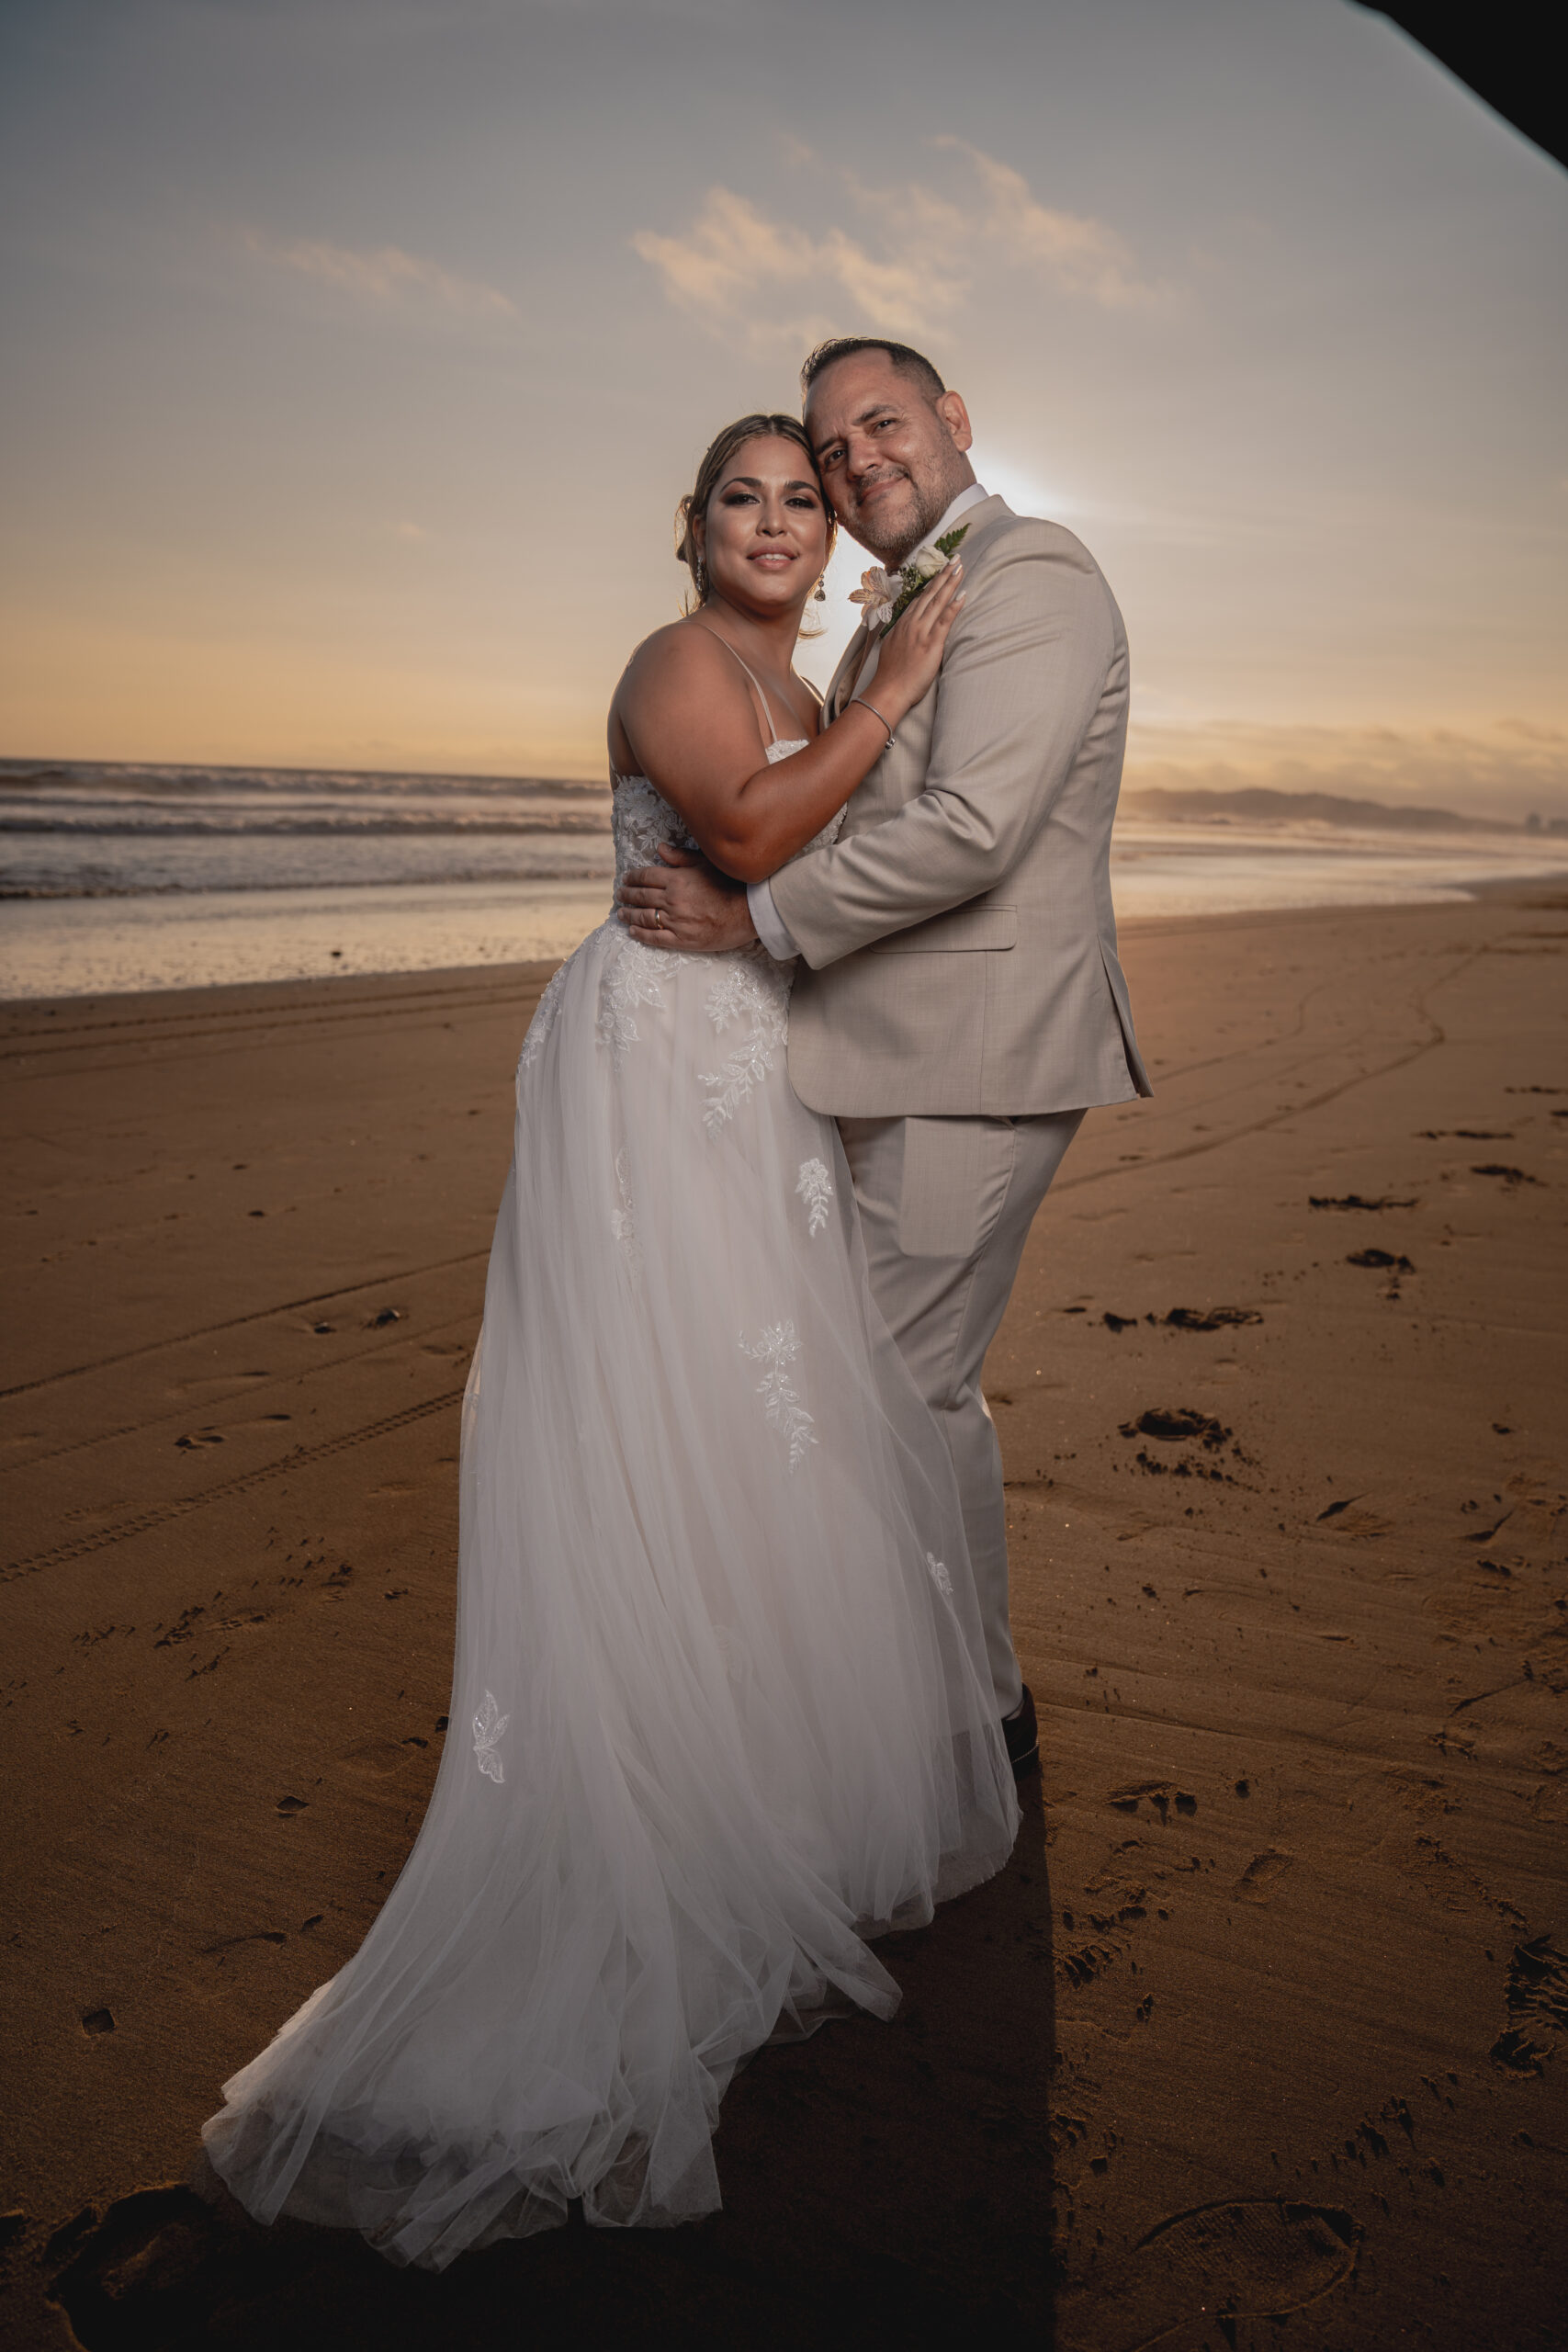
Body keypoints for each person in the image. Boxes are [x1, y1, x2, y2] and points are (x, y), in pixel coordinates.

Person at [200, 412, 1019, 2270]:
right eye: (742, 496)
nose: (773, 522)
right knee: (656, 1414)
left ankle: (753, 1787)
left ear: (828, 534)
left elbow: (811, 882)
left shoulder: (796, 677)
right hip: (650, 1063)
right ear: (691, 524)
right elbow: (746, 831)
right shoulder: (678, 664)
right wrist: (897, 694)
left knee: (763, 1422)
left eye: (800, 499)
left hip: (756, 1058)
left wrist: (853, 760)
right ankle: (631, 1821)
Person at [620, 341, 1151, 1776]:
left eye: (883, 425)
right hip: (886, 1049)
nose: (857, 462)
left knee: (898, 1390)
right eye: (830, 449)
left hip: (970, 1057)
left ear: (954, 419)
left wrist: (753, 921)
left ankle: (971, 1721)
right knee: (877, 1387)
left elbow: (974, 830)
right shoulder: (893, 614)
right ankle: (928, 1698)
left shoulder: (1028, 574)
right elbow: (835, 804)